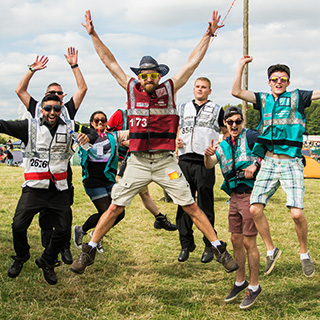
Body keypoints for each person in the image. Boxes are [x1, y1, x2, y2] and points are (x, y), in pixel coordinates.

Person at [69, 9, 239, 275]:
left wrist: (208, 35)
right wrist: (93, 35)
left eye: (153, 75)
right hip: (137, 161)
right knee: (114, 207)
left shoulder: (170, 88)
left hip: (164, 161)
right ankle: (88, 251)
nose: (148, 79)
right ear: (139, 77)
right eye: (144, 75)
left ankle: (219, 249)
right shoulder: (130, 88)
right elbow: (110, 62)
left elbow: (191, 63)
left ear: (159, 76)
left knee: (191, 206)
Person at [231, 55, 317, 277]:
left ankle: (304, 254)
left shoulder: (299, 97)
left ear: (288, 82)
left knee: (297, 214)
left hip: (291, 163)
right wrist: (240, 65)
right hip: (268, 161)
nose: (278, 82)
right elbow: (237, 92)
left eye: (283, 78)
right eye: (274, 78)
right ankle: (271, 250)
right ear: (269, 81)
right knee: (254, 208)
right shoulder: (263, 99)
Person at [0, 94, 97, 285]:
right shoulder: (29, 126)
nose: (52, 112)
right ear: (41, 110)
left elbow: (92, 132)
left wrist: (89, 135)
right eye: (48, 108)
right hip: (34, 189)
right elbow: (3, 125)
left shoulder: (71, 125)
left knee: (63, 231)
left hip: (59, 190)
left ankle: (47, 260)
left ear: (61, 109)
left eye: (57, 108)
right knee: (18, 226)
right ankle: (21, 256)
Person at [15, 47, 88, 265]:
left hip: (62, 171)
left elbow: (83, 88)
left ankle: (62, 247)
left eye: (59, 93)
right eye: (51, 94)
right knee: (43, 215)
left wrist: (74, 65)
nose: (55, 98)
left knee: (63, 212)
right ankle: (49, 251)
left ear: (63, 96)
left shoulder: (67, 110)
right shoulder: (38, 108)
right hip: (39, 171)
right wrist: (31, 70)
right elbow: (20, 90)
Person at [204, 106, 261, 309]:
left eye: (237, 121)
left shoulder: (251, 135)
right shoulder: (223, 144)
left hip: (250, 195)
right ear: (225, 124)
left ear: (242, 121)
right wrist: (206, 154)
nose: (234, 125)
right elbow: (210, 164)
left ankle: (254, 286)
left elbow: (269, 149)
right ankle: (240, 281)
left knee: (249, 243)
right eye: (230, 122)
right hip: (234, 197)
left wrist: (256, 166)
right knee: (236, 239)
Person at [175, 76, 228, 263]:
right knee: (183, 203)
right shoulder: (183, 107)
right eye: (197, 86)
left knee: (205, 204)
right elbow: (176, 128)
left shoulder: (217, 109)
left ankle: (209, 245)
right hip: (184, 159)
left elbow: (227, 132)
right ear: (193, 89)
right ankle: (186, 244)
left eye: (204, 87)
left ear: (209, 91)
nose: (200, 89)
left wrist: (218, 148)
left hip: (204, 161)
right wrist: (175, 141)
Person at [107, 108, 177, 231]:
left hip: (137, 159)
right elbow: (108, 135)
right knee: (120, 196)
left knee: (144, 193)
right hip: (120, 160)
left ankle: (159, 219)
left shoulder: (145, 119)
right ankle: (100, 223)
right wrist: (124, 143)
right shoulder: (120, 115)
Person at [73, 111, 127, 252]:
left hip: (109, 179)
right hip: (92, 180)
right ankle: (81, 230)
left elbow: (130, 133)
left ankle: (96, 233)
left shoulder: (113, 136)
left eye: (103, 120)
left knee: (119, 213)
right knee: (105, 212)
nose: (100, 122)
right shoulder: (86, 137)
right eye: (96, 120)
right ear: (91, 122)